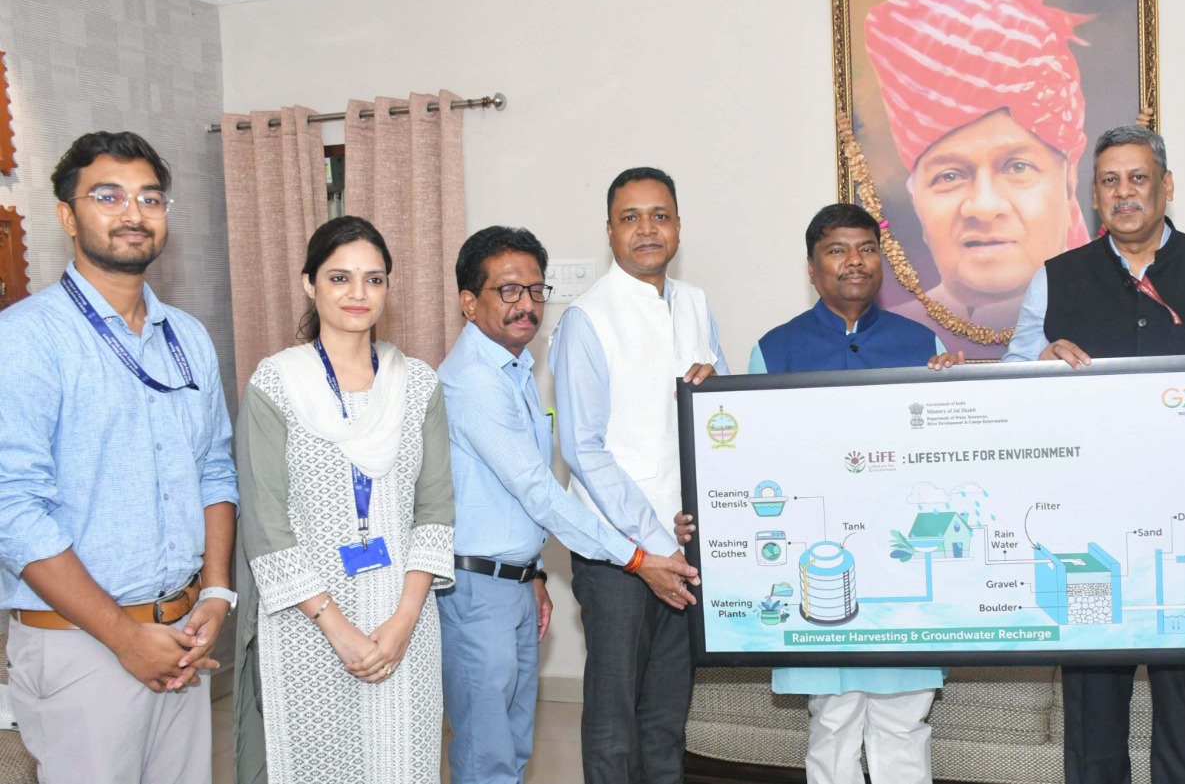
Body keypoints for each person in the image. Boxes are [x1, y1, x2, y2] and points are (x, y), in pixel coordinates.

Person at [1004, 124, 1185, 784]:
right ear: (1094, 195)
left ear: (1166, 185)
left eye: (1138, 178)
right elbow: (1012, 384)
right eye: (1109, 181)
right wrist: (1039, 363)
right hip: (1086, 528)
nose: (1124, 193)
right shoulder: (1055, 278)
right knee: (1092, 696)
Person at [676, 203, 960, 783]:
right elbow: (745, 463)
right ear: (812, 266)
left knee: (904, 725)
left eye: (866, 249)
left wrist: (957, 395)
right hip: (821, 571)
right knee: (832, 724)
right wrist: (705, 510)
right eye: (837, 250)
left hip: (902, 572)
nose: (854, 261)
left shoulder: (923, 345)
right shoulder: (775, 350)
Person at [0, 131, 236, 782]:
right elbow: (14, 510)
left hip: (181, 636)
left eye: (150, 198)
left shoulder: (187, 337)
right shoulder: (25, 339)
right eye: (108, 196)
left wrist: (216, 590)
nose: (134, 213)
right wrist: (126, 637)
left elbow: (215, 469)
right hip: (80, 647)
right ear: (67, 216)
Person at [436, 225, 700, 784]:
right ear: (469, 302)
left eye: (536, 290)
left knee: (512, 750)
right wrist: (635, 558)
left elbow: (509, 498)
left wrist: (533, 573)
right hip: (477, 592)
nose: (527, 305)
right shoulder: (473, 381)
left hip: (511, 583)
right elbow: (540, 490)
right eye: (509, 290)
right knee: (486, 757)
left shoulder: (516, 370)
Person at [234, 216, 455, 783]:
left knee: (402, 765)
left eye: (373, 279)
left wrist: (403, 621)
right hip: (308, 624)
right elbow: (266, 526)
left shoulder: (418, 385)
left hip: (403, 621)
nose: (358, 293)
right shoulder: (276, 385)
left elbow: (434, 510)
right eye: (339, 278)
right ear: (309, 284)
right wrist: (339, 630)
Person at [551, 166, 727, 783]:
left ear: (678, 225)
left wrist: (719, 387)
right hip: (618, 556)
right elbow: (583, 449)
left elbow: (720, 422)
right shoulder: (587, 318)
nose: (646, 229)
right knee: (613, 721)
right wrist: (651, 546)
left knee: (666, 718)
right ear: (609, 231)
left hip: (684, 549)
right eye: (630, 218)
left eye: (659, 215)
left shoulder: (695, 303)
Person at [862, 0, 1095, 335]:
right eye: (949, 176)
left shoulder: (1119, 322)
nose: (984, 207)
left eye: (1018, 167)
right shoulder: (895, 338)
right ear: (916, 198)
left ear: (1069, 179)